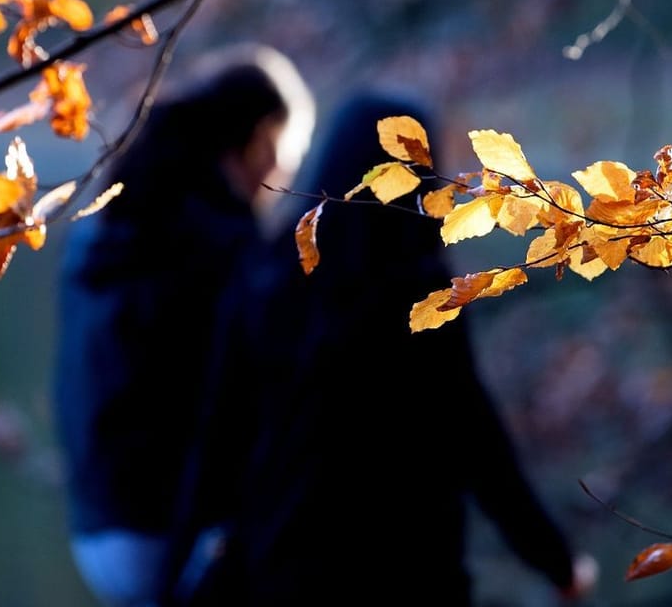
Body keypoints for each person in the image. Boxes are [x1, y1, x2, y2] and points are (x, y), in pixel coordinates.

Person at [171, 92, 594, 606]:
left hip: (287, 562)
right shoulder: (421, 297)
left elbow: (219, 438)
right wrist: (556, 562)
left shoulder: (269, 276)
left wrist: (173, 574)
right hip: (411, 569)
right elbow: (478, 444)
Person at [53, 46, 313, 607]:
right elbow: (238, 408)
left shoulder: (105, 227)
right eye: (286, 157)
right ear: (261, 140)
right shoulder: (222, 245)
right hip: (172, 536)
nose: (284, 177)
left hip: (97, 530)